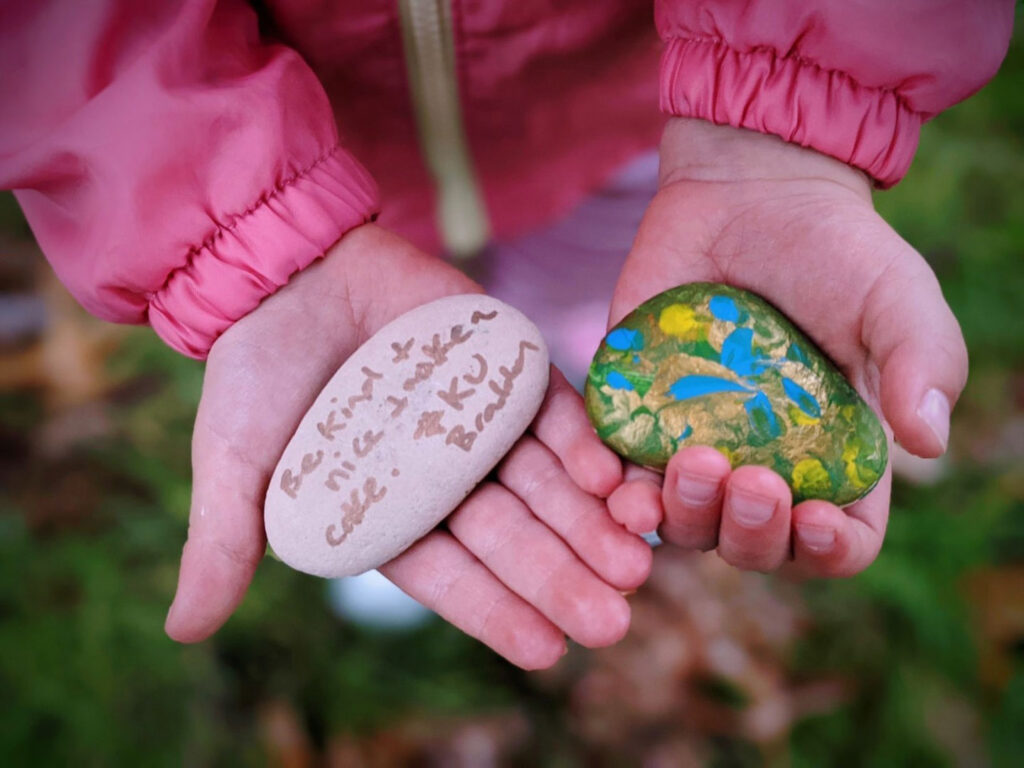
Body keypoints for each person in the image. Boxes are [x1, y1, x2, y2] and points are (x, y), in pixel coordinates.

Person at [0, 1, 1014, 670]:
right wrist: (230, 223)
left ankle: (573, 373)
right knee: (440, 274)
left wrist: (781, 121)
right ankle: (470, 442)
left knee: (600, 263)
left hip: (643, 109)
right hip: (304, 147)